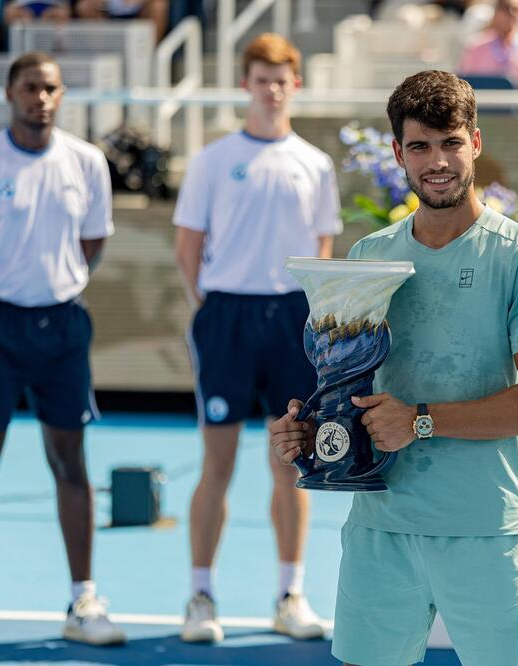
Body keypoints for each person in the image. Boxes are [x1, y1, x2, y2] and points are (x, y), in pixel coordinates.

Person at [270, 69, 518, 666]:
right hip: (380, 529)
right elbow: (351, 390)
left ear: (475, 144)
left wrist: (421, 421)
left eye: (450, 143)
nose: (437, 162)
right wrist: (311, 433)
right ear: (397, 154)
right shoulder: (369, 255)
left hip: (485, 530)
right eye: (420, 146)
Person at [172, 33, 341, 644]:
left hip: (292, 319)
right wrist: (215, 308)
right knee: (216, 462)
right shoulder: (213, 160)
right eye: (262, 79)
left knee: (290, 461)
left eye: (281, 80)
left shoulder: (314, 163)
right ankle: (200, 596)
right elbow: (188, 247)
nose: (272, 90)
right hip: (227, 318)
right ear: (245, 84)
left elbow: (321, 251)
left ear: (296, 85)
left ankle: (290, 595)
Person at [0, 52, 125, 651]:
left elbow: (91, 242)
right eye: (31, 87)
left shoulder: (86, 162)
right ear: (9, 93)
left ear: (62, 96)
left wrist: (51, 285)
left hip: (61, 327)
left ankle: (83, 600)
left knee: (70, 462)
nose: (42, 98)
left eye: (52, 88)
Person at [459, 0, 518, 88]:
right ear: (495, 11)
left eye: (516, 9)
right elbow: (465, 86)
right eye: (505, 8)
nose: (511, 13)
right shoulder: (475, 48)